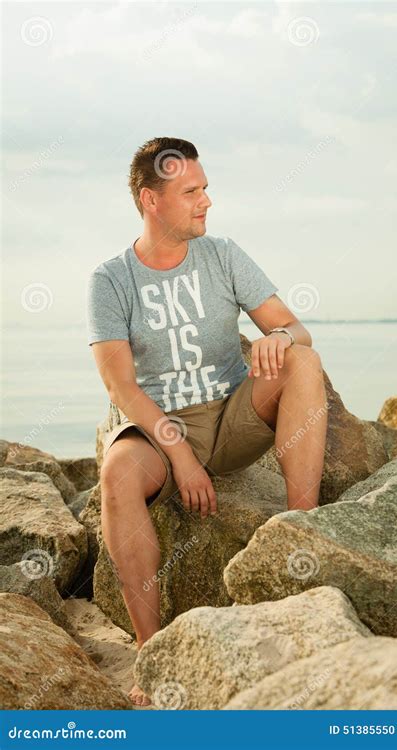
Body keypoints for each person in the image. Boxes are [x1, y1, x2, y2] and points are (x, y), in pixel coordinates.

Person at [86, 137, 328, 706]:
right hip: (158, 426)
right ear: (151, 200)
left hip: (233, 416)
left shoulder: (223, 255)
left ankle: (301, 529)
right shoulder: (111, 279)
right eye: (191, 192)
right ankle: (150, 654)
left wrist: (277, 339)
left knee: (304, 362)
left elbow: (298, 330)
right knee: (117, 475)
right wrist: (179, 454)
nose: (206, 202)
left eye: (205, 189)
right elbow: (121, 386)